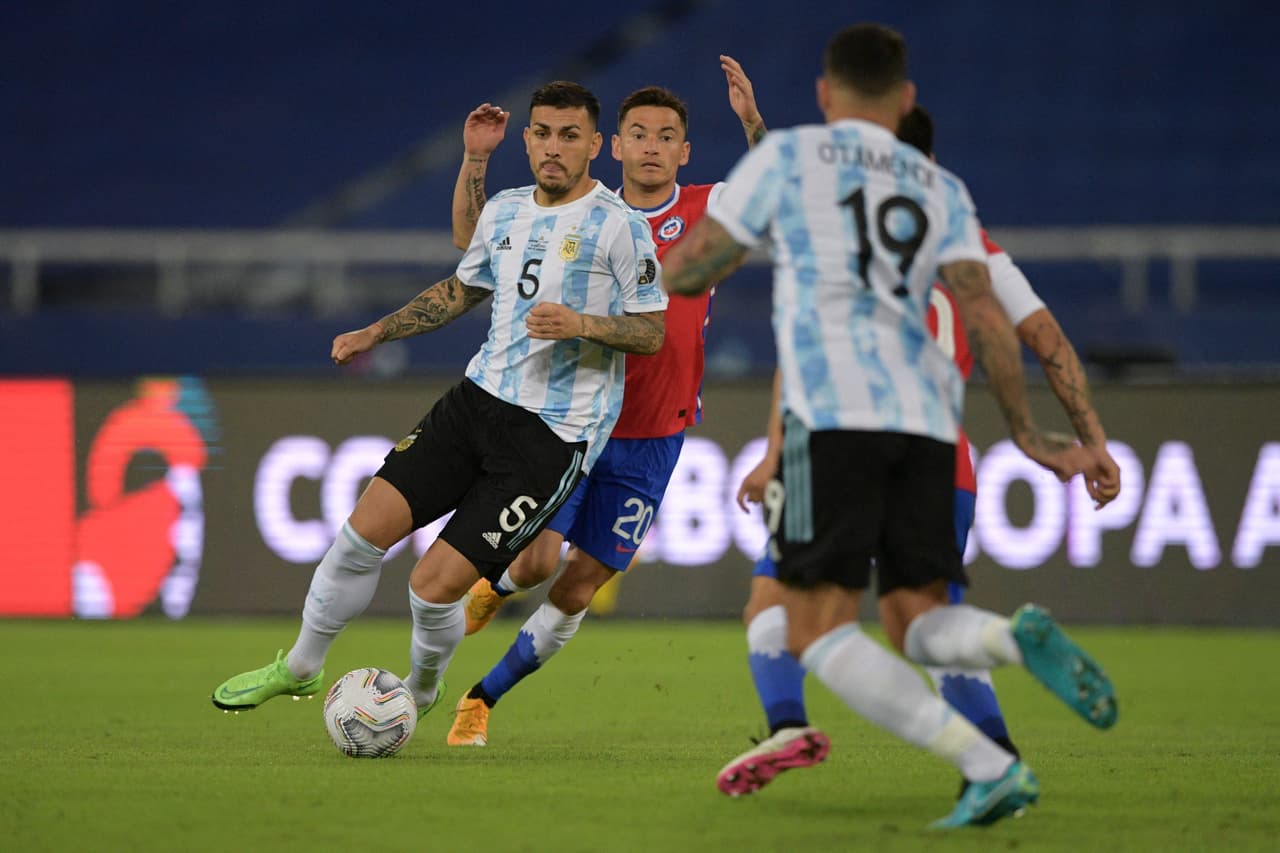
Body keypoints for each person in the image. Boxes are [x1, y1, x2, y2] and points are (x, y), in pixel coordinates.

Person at [662, 23, 1118, 829]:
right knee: (919, 619)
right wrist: (1029, 433)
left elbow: (694, 266)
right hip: (931, 433)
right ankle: (1013, 639)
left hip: (833, 420)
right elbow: (984, 314)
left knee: (811, 626)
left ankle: (987, 764)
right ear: (905, 100)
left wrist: (692, 258)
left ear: (824, 95)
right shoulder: (941, 191)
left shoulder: (791, 158)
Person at [210, 81, 667, 722]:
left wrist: (584, 324)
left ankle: (421, 689)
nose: (553, 148)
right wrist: (377, 330)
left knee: (431, 587)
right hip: (476, 402)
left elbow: (651, 331)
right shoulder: (507, 209)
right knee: (358, 536)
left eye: (570, 136)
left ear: (595, 144)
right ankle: (301, 667)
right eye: (542, 133)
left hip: (551, 436)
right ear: (528, 139)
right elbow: (461, 288)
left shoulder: (620, 227)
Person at [442, 58, 772, 749]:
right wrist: (475, 161)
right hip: (574, 415)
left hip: (656, 432)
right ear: (614, 146)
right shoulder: (586, 214)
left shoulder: (707, 209)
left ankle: (482, 697)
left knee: (575, 588)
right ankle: (498, 585)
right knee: (534, 563)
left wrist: (750, 119)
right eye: (639, 134)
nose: (652, 146)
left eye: (667, 136)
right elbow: (477, 247)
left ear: (684, 152)